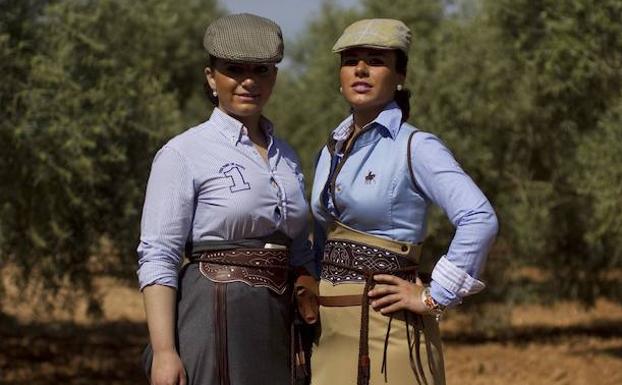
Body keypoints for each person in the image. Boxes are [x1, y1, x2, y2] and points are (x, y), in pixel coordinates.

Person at [310, 19, 499, 385]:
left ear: (400, 74)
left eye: (376, 61)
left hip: (388, 329)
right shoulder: (329, 149)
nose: (361, 70)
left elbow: (479, 217)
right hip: (330, 330)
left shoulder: (417, 146)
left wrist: (434, 296)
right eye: (351, 60)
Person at [137, 13, 318, 385]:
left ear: (275, 77)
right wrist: (165, 352)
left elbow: (300, 249)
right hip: (214, 316)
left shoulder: (288, 157)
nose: (249, 81)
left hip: (279, 321)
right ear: (210, 77)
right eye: (234, 69)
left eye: (262, 70)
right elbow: (159, 254)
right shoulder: (183, 153)